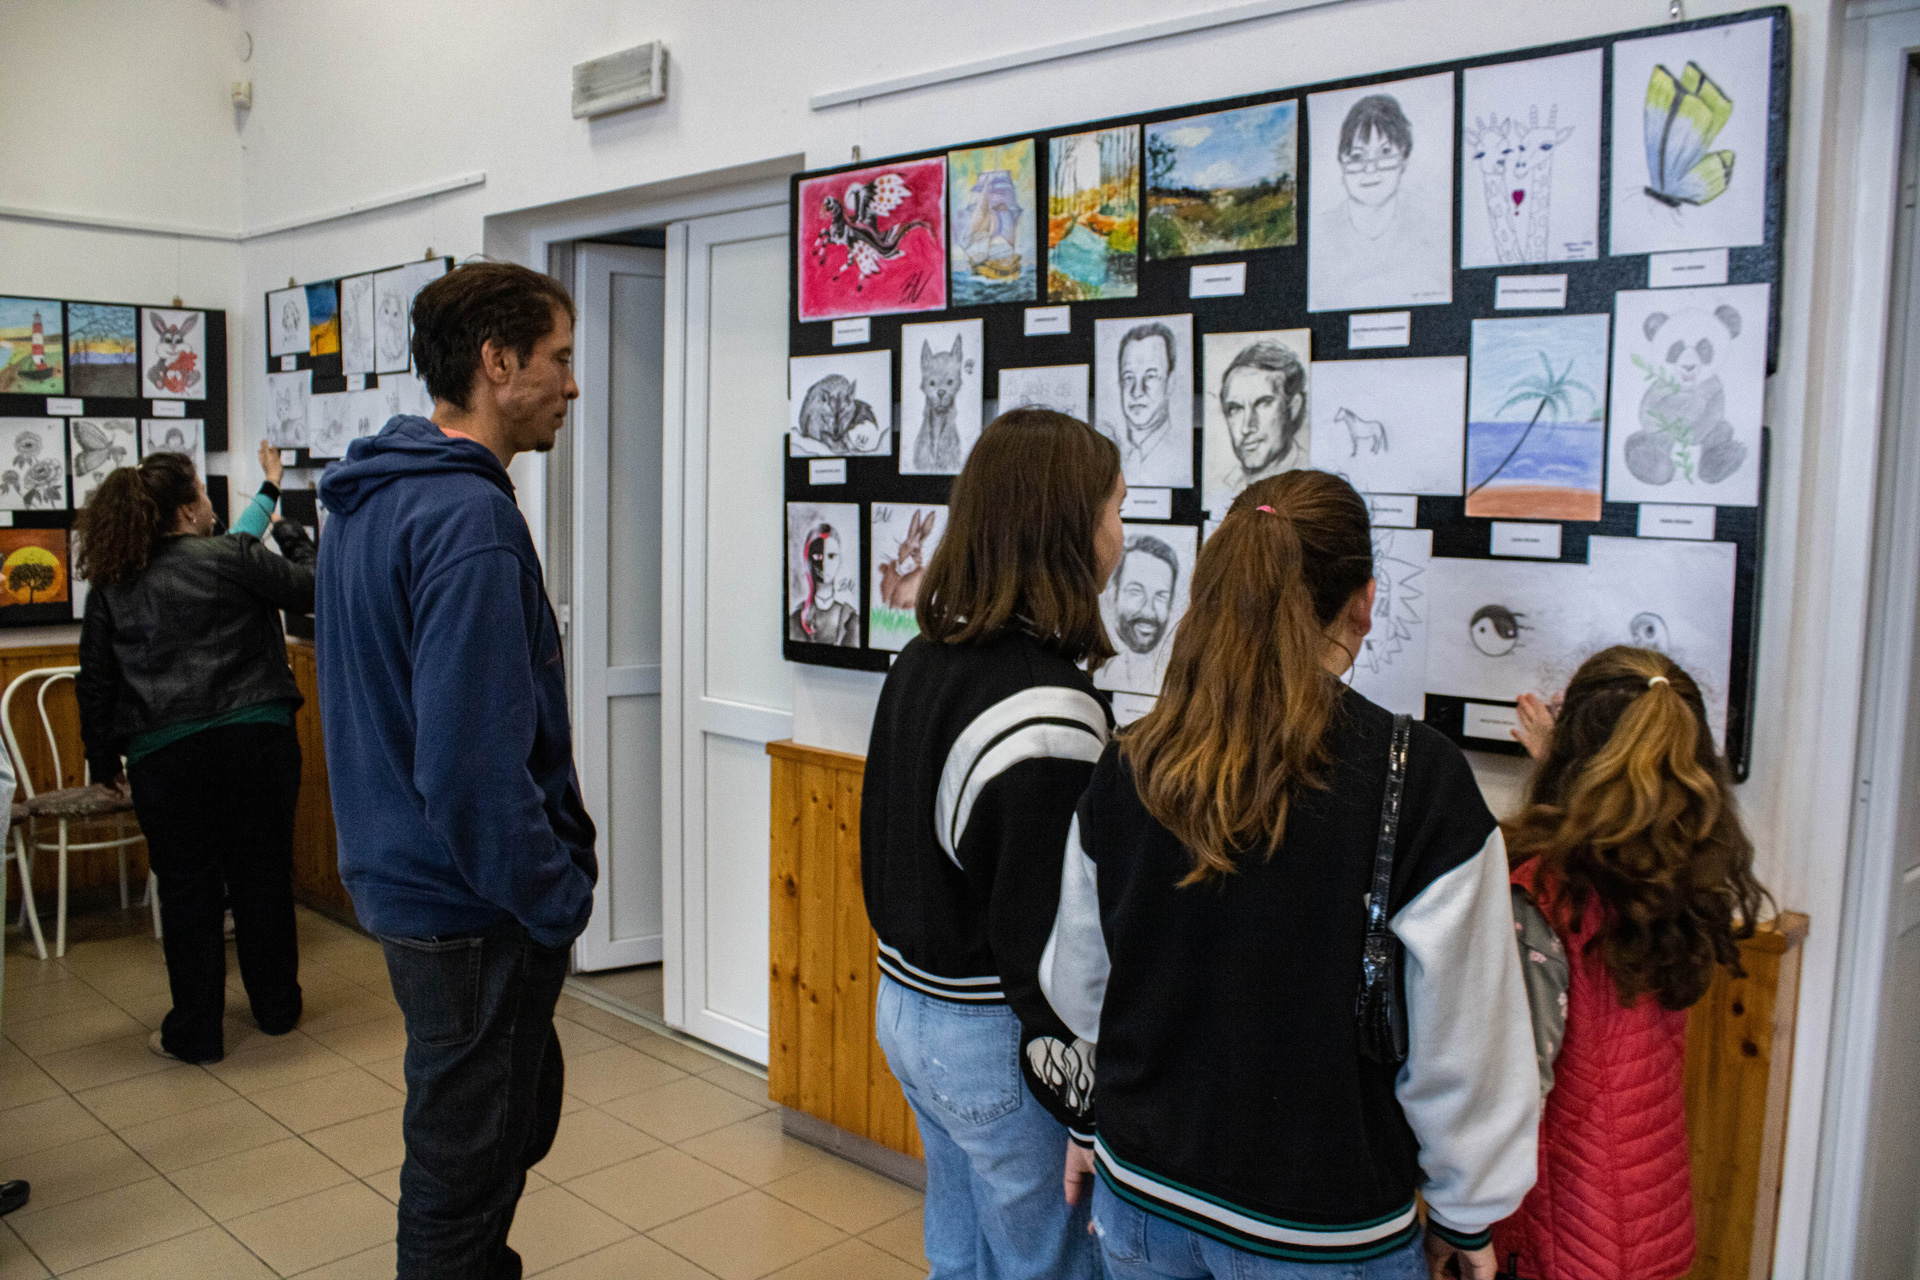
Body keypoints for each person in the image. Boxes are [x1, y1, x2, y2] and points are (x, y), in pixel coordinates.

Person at [1039, 469, 1539, 1280]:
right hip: (1320, 1225)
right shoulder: (1419, 780)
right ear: (1364, 604)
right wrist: (1466, 1209)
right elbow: (1464, 1044)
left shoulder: (1132, 760)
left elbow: (1081, 988)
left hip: (1143, 1193)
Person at [316, 259, 595, 1280]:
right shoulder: (468, 519)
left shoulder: (371, 497)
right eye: (559, 358)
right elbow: (470, 766)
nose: (572, 384)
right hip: (468, 903)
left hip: (409, 883)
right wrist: (555, 896)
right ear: (497, 362)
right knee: (462, 1173)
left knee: (489, 1135)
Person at [861, 408, 1123, 1280]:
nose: (1122, 536)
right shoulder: (1050, 709)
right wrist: (1086, 1108)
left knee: (960, 1251)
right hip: (994, 1038)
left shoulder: (924, 658)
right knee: (1046, 1264)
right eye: (1117, 510)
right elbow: (1056, 948)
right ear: (1070, 528)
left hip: (909, 1007)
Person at [1496, 648, 1770, 1280]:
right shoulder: (1680, 874)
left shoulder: (1549, 895)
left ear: (1574, 753)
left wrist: (1460, 1222)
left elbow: (1514, 1096)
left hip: (1561, 1233)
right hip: (1649, 1224)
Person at [76, 444, 314, 1065]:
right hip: (256, 742)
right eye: (205, 495)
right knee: (263, 876)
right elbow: (310, 587)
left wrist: (102, 762)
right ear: (186, 511)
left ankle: (197, 1032)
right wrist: (291, 533)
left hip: (165, 757)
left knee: (187, 892)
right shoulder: (231, 556)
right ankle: (277, 1010)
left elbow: (94, 679)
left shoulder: (112, 584)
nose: (211, 505)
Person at [1205, 338, 1308, 513]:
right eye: (1235, 408)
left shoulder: (1312, 481)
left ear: (1293, 407)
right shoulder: (1223, 486)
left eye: (1263, 404)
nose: (1246, 427)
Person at [1101, 322, 1187, 487]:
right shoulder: (1113, 457)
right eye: (1128, 377)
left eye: (1151, 376)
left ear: (1170, 382)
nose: (1137, 391)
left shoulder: (1179, 457)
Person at [1097, 534, 1180, 695]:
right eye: (1136, 592)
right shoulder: (1104, 671)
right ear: (1113, 594)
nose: (1149, 610)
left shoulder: (1178, 681)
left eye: (1161, 596)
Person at [787, 520, 858, 644]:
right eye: (818, 556)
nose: (824, 564)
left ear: (840, 560)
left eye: (831, 556)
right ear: (808, 559)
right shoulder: (795, 619)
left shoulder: (850, 618)